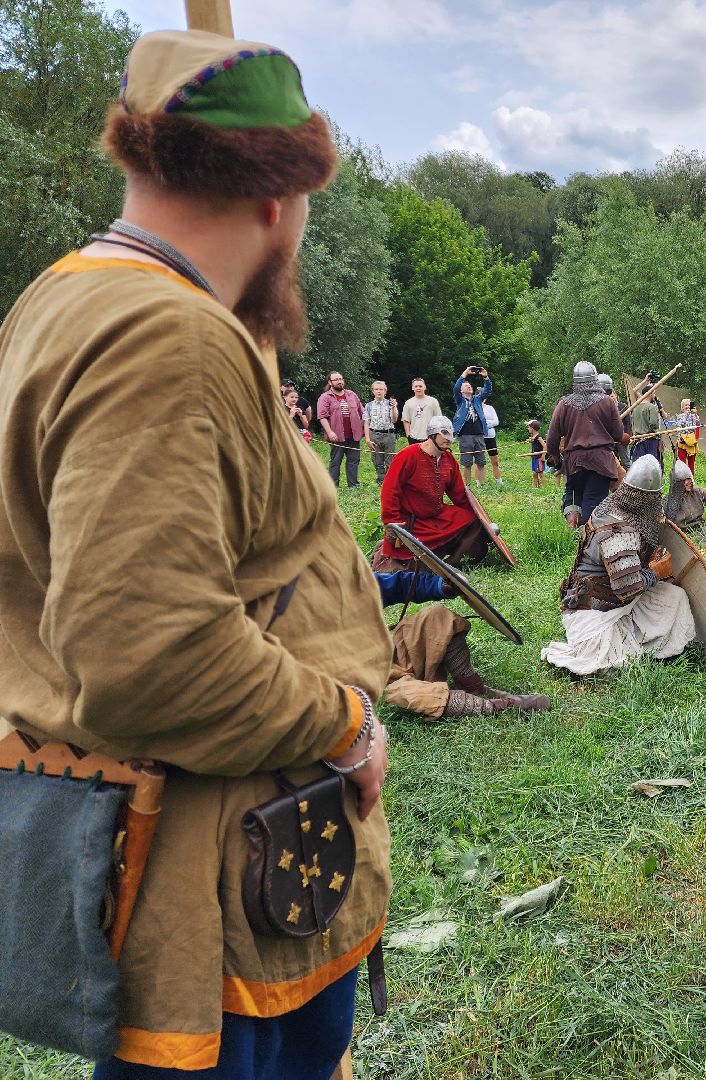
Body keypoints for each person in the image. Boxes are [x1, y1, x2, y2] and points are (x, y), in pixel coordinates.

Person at [0, 28, 390, 1076]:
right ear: (279, 199)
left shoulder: (65, 296)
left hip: (241, 855)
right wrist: (344, 723)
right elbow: (148, 652)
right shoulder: (165, 337)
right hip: (210, 875)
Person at [542, 456, 699, 675]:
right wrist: (655, 572)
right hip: (593, 612)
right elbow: (628, 589)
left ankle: (652, 641)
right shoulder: (618, 532)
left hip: (615, 600)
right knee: (612, 663)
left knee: (674, 597)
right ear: (647, 499)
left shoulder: (613, 506)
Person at [373, 572, 549, 718]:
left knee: (437, 616)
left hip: (392, 652)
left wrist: (439, 585)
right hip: (370, 679)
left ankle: (473, 687)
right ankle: (494, 706)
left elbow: (398, 585)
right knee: (410, 694)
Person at [374, 416, 492, 571]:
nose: (449, 438)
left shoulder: (448, 459)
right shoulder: (407, 455)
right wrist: (392, 522)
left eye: (451, 434)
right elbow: (390, 491)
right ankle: (383, 550)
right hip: (412, 522)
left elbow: (459, 495)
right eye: (444, 433)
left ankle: (451, 566)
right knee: (411, 568)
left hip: (438, 517)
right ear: (432, 434)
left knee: (472, 520)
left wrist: (481, 520)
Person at [546, 361, 626, 527]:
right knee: (593, 502)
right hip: (601, 462)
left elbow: (552, 437)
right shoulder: (607, 402)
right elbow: (618, 434)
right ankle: (585, 538)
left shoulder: (564, 403)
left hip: (574, 461)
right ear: (595, 379)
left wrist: (554, 456)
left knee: (574, 494)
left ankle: (576, 531)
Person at [317, 369, 365, 488]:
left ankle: (353, 485)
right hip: (337, 436)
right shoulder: (325, 397)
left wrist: (361, 427)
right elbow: (322, 416)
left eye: (340, 379)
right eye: (336, 380)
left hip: (354, 435)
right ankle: (333, 486)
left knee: (353, 461)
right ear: (330, 382)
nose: (339, 382)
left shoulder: (351, 394)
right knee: (335, 461)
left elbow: (363, 412)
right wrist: (330, 432)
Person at [453, 365, 491, 489]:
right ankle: (467, 487)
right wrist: (465, 373)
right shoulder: (460, 400)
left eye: (470, 386)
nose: (469, 386)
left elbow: (487, 390)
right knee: (467, 462)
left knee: (481, 461)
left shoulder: (477, 399)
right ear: (462, 390)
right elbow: (456, 387)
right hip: (466, 435)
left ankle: (481, 485)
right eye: (466, 386)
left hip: (479, 434)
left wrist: (485, 377)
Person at [363, 379, 398, 484]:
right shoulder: (368, 405)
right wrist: (368, 439)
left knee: (390, 460)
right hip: (374, 434)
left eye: (381, 389)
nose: (379, 391)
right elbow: (366, 423)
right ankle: (381, 480)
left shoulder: (390, 404)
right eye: (376, 389)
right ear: (373, 391)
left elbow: (395, 419)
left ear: (385, 391)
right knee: (377, 459)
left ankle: (389, 481)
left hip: (389, 434)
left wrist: (394, 408)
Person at [630, 386, 663, 467]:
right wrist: (658, 433)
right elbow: (653, 424)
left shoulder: (636, 407)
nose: (654, 396)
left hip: (638, 440)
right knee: (651, 466)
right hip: (650, 441)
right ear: (650, 393)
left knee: (640, 465)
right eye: (654, 393)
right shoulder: (651, 407)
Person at [402, 377, 442, 444]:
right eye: (416, 386)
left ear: (425, 387)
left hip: (430, 436)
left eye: (420, 386)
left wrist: (436, 434)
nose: (418, 388)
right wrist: (408, 435)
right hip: (414, 437)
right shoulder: (408, 403)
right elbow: (406, 420)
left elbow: (438, 419)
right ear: (412, 388)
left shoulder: (433, 401)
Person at [672, 398, 701, 473]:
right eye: (686, 405)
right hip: (683, 442)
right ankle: (682, 478)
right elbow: (680, 425)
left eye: (689, 405)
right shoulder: (679, 416)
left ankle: (691, 478)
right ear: (682, 407)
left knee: (691, 463)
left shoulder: (693, 415)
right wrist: (686, 415)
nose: (687, 407)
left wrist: (695, 413)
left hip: (691, 442)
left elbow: (697, 423)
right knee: (682, 462)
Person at [527, 419, 555, 488]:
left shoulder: (539, 437)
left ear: (532, 428)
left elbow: (545, 446)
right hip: (534, 457)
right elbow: (534, 442)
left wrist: (543, 456)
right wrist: (530, 441)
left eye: (529, 427)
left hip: (538, 457)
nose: (528, 429)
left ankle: (544, 487)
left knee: (540, 473)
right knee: (534, 473)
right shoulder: (534, 437)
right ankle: (535, 487)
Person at [482, 398, 502, 484]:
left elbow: (496, 421)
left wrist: (486, 423)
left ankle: (499, 481)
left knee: (495, 460)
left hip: (490, 436)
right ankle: (480, 482)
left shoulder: (490, 408)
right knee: (479, 461)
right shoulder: (474, 407)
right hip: (479, 437)